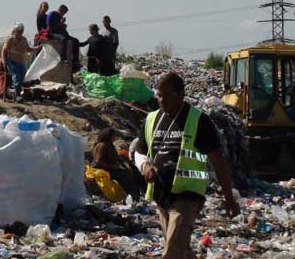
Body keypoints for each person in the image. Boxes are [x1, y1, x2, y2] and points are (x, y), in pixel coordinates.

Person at [134, 72, 240, 259]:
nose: (162, 101)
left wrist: (229, 197)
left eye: (168, 96)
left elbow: (218, 161)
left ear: (181, 95)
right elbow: (139, 151)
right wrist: (145, 166)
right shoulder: (152, 119)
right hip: (162, 194)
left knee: (172, 249)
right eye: (159, 95)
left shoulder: (199, 120)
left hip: (188, 197)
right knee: (180, 249)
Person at [92, 128, 140, 201]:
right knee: (124, 174)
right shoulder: (102, 145)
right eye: (113, 136)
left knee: (128, 170)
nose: (114, 138)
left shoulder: (110, 145)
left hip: (110, 167)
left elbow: (116, 157)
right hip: (101, 168)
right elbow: (98, 161)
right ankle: (126, 194)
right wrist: (111, 166)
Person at [1, 22, 41, 100]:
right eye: (19, 31)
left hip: (21, 62)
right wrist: (4, 61)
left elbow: (28, 49)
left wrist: (38, 48)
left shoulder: (24, 39)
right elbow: (4, 51)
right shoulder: (10, 39)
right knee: (16, 76)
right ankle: (17, 94)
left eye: (21, 31)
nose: (20, 32)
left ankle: (19, 93)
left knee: (23, 77)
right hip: (11, 61)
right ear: (15, 31)